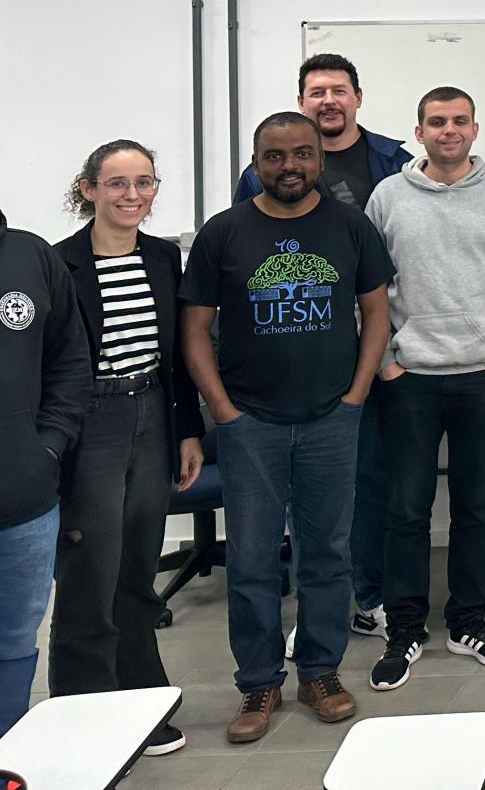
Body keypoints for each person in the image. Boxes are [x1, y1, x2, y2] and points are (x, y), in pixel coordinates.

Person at [180, 111, 394, 743]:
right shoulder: (224, 233)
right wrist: (223, 410)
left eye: (302, 154)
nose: (290, 166)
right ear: (256, 164)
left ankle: (320, 673)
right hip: (250, 424)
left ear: (319, 160)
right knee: (251, 560)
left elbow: (376, 313)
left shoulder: (351, 227)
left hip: (331, 419)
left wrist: (356, 395)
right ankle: (258, 682)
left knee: (326, 554)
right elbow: (194, 331)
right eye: (274, 156)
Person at [363, 88, 485, 690]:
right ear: (418, 132)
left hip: (480, 378)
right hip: (408, 379)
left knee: (474, 506)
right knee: (405, 509)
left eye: (459, 121)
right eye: (436, 122)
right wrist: (386, 361)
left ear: (474, 128)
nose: (449, 130)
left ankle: (468, 623)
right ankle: (404, 630)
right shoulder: (388, 196)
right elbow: (367, 286)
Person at [236, 53, 411, 642]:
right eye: (317, 91)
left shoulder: (394, 163)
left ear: (358, 97)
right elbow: (247, 258)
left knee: (371, 480)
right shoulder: (260, 173)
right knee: (301, 496)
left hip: (378, 351)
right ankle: (315, 615)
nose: (329, 99)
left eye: (339, 89)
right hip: (297, 351)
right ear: (302, 101)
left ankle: (367, 598)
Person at [50, 143, 204, 756]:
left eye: (144, 182)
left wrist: (187, 429)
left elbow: (178, 354)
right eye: (117, 183)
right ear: (89, 188)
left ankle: (141, 699)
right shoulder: (59, 262)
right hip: (92, 420)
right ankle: (84, 713)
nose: (132, 195)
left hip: (152, 412)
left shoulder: (163, 256)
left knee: (138, 565)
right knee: (91, 567)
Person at [0, 207, 90, 737]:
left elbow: (69, 362)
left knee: (14, 641)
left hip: (24, 503)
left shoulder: (29, 255)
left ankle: (7, 755)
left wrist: (49, 446)